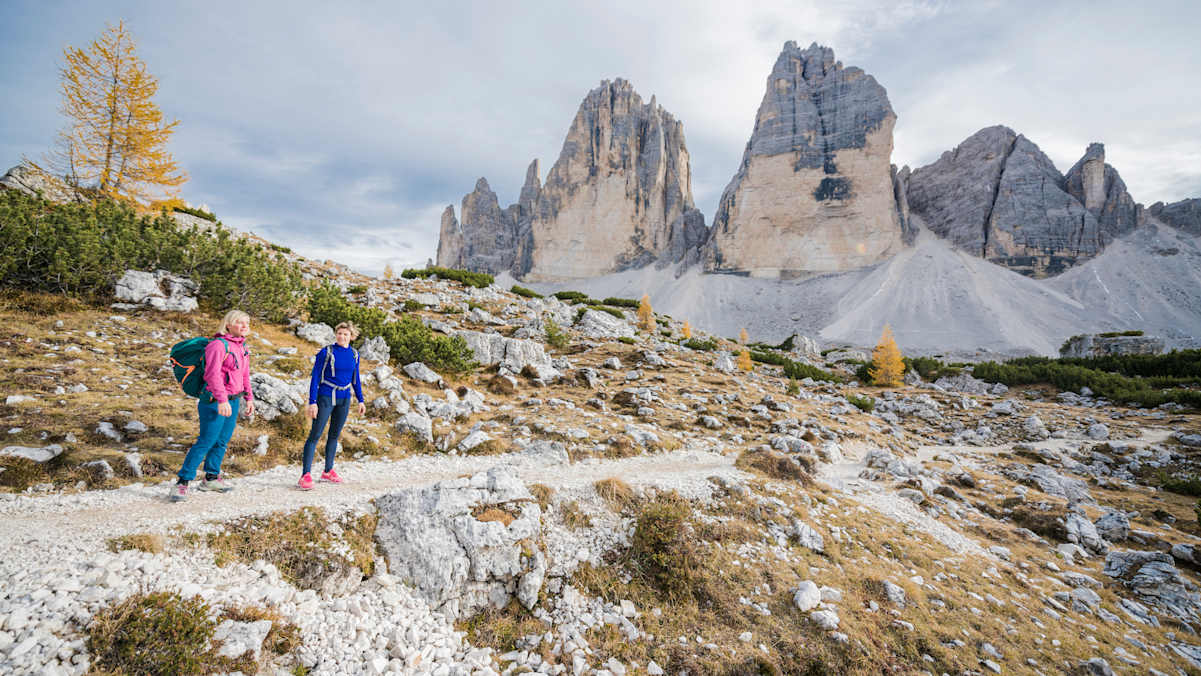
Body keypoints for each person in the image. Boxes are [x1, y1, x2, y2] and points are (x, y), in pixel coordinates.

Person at [171, 310, 255, 502]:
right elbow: (212, 375)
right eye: (240, 322)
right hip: (214, 401)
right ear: (228, 325)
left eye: (247, 322)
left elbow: (244, 374)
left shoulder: (242, 347)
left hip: (234, 400)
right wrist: (222, 400)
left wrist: (249, 398)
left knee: (221, 441)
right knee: (206, 441)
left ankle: (210, 478)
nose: (244, 326)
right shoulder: (218, 345)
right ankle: (182, 482)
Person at [298, 321, 365, 490]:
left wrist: (361, 400)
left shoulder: (354, 354)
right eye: (339, 333)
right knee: (315, 434)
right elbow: (315, 377)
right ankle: (305, 475)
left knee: (334, 435)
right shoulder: (326, 352)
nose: (341, 337)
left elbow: (355, 379)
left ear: (352, 336)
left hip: (345, 398)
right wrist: (312, 402)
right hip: (325, 396)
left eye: (345, 334)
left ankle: (328, 471)